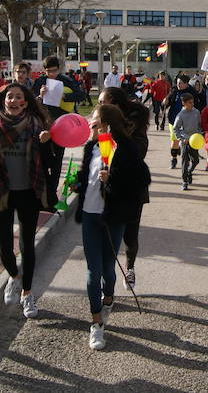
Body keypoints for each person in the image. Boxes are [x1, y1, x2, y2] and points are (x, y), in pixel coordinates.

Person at [0, 83, 55, 319]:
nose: (15, 100)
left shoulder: (37, 126)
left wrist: (47, 142)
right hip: (1, 192)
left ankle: (27, 294)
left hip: (29, 192)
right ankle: (14, 277)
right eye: (10, 96)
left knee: (27, 245)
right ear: (2, 101)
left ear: (26, 102)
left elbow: (49, 163)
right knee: (4, 247)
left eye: (19, 97)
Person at [75, 103, 150, 350]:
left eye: (94, 121)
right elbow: (86, 177)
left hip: (113, 217)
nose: (90, 124)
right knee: (92, 271)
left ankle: (108, 299)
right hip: (89, 215)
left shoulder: (126, 148)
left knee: (108, 268)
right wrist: (77, 184)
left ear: (106, 124)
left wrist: (113, 179)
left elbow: (141, 182)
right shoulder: (91, 148)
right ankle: (96, 324)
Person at [99, 87, 150, 291]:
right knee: (107, 237)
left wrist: (116, 136)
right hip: (106, 189)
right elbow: (96, 154)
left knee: (130, 234)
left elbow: (138, 154)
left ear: (116, 104)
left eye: (103, 103)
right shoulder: (100, 125)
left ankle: (129, 267)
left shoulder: (135, 125)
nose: (100, 106)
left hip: (131, 189)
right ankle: (106, 283)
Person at [31, 55, 86, 197]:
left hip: (60, 126)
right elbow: (31, 101)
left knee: (57, 160)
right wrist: (40, 95)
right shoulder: (40, 82)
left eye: (54, 71)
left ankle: (52, 193)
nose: (52, 74)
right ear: (44, 70)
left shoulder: (66, 80)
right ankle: (41, 190)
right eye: (48, 71)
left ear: (59, 69)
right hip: (42, 125)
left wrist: (65, 96)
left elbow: (81, 95)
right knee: (42, 159)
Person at [164, 74, 198, 169]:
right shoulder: (174, 91)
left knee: (187, 142)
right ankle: (173, 159)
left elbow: (196, 105)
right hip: (173, 120)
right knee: (174, 140)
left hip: (188, 121)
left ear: (186, 84)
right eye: (178, 83)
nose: (178, 85)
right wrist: (166, 102)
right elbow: (169, 102)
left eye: (181, 83)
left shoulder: (191, 92)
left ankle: (190, 159)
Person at [172, 93, 202, 190]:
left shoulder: (196, 112)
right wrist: (181, 138)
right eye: (189, 103)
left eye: (192, 102)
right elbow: (176, 129)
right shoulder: (181, 115)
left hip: (195, 141)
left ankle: (190, 171)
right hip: (185, 142)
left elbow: (199, 125)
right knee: (185, 162)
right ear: (183, 103)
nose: (192, 104)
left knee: (196, 160)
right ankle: (184, 181)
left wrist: (200, 134)